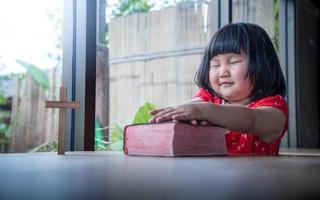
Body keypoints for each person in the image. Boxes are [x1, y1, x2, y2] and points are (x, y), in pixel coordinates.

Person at [149, 23, 288, 156]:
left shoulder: (275, 107)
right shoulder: (209, 98)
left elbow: (252, 119)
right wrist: (183, 117)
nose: (222, 72)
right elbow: (193, 107)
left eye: (233, 62)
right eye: (215, 65)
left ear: (262, 64)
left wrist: (204, 111)